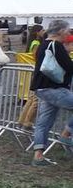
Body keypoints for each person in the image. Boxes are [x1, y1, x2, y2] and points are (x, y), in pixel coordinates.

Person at [30, 19, 73, 165]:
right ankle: (66, 134)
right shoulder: (56, 45)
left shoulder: (43, 45)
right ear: (60, 31)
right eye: (67, 31)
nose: (68, 34)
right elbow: (69, 66)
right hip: (54, 88)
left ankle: (38, 156)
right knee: (44, 122)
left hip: (41, 88)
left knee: (44, 122)